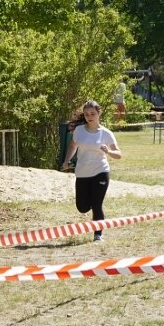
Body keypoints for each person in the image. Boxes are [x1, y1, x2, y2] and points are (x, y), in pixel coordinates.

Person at [61, 101, 122, 242]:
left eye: (93, 114)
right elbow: (72, 146)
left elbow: (119, 154)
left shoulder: (106, 133)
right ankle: (90, 208)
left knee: (96, 204)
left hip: (100, 171)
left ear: (99, 114)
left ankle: (98, 234)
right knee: (82, 207)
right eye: (87, 114)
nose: (90, 117)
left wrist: (109, 151)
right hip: (82, 173)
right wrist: (66, 161)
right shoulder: (79, 130)